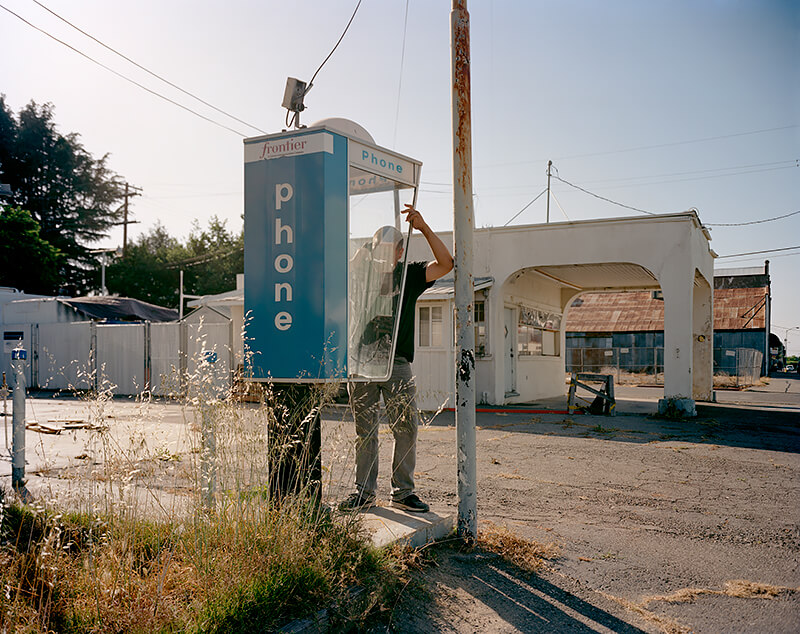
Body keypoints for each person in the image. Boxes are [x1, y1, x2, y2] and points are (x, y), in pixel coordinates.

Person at [339, 205, 453, 513]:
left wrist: (425, 227)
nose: (382, 254)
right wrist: (360, 254)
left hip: (397, 362)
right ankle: (364, 493)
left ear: (400, 251)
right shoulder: (361, 274)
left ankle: (403, 493)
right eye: (378, 248)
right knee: (365, 430)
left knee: (406, 428)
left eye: (389, 249)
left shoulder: (410, 274)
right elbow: (337, 276)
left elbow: (446, 264)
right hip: (362, 362)